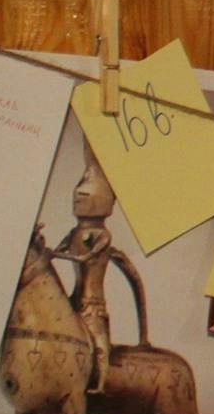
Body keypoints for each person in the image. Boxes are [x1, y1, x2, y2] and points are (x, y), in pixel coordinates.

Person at [52, 154, 147, 394]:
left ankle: (100, 384)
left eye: (85, 192)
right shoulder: (74, 232)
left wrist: (143, 334)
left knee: (99, 345)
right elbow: (57, 251)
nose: (79, 194)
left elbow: (85, 257)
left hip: (93, 304)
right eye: (79, 191)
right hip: (73, 300)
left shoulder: (103, 236)